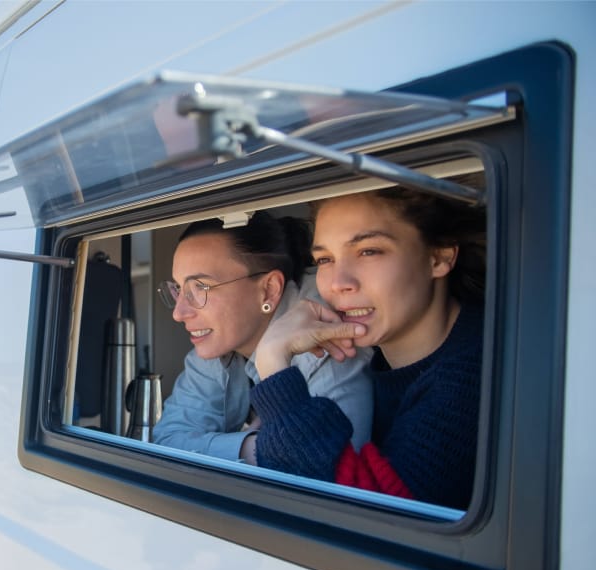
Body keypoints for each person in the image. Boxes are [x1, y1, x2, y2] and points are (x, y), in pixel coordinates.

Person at [248, 182, 486, 509]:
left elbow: (355, 516)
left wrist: (273, 359)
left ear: (439, 256)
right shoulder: (381, 358)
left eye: (368, 251)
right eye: (325, 259)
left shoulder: (471, 378)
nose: (338, 283)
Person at [152, 212, 372, 463]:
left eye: (200, 287)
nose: (179, 313)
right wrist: (256, 446)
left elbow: (330, 476)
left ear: (269, 290)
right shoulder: (220, 341)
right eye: (179, 289)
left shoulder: (325, 347)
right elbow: (167, 442)